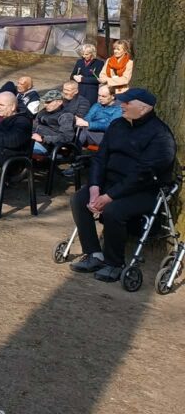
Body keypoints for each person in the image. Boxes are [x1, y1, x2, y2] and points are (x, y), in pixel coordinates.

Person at [69, 88, 177, 282]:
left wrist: (108, 197)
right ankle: (94, 253)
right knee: (79, 199)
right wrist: (94, 188)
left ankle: (114, 263)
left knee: (113, 210)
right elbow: (100, 158)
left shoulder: (160, 135)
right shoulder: (117, 125)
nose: (122, 105)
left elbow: (143, 174)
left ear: (144, 108)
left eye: (127, 103)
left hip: (142, 190)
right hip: (110, 183)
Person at [30, 89, 77, 155]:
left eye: (49, 102)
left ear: (59, 102)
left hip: (49, 146)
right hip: (33, 141)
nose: (45, 105)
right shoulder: (43, 112)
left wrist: (43, 138)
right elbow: (34, 126)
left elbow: (66, 137)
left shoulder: (65, 116)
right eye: (45, 102)